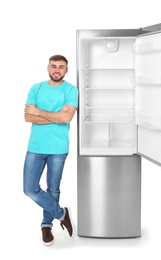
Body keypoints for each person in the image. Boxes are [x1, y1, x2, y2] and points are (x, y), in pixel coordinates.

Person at [23, 54, 78, 246]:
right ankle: (62, 214)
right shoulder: (36, 88)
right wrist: (56, 115)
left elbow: (67, 119)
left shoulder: (71, 90)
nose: (57, 70)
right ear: (48, 68)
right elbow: (28, 117)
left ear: (66, 70)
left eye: (61, 67)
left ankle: (46, 225)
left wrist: (40, 112)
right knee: (30, 189)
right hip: (35, 147)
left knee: (53, 188)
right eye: (53, 66)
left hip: (58, 148)